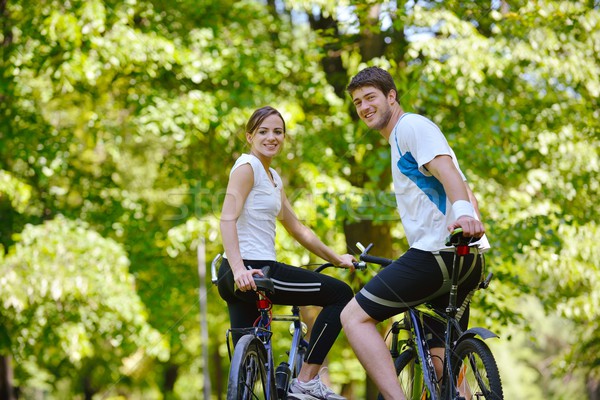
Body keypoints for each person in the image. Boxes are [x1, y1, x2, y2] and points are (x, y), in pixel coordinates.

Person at [340, 66, 489, 399]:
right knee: (442, 364)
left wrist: (464, 215)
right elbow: (461, 183)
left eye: (370, 98)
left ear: (391, 96)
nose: (364, 107)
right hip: (467, 257)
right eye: (357, 102)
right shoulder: (399, 141)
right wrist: (473, 218)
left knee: (352, 317)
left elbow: (447, 170)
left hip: (437, 254)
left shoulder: (410, 127)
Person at [218, 106, 355, 400]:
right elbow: (226, 218)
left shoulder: (273, 178)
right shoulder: (247, 167)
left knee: (247, 372)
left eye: (278, 132)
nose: (272, 137)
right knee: (341, 295)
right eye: (263, 132)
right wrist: (240, 268)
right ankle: (306, 381)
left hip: (239, 274)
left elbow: (297, 229)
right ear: (249, 136)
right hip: (253, 270)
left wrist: (336, 258)